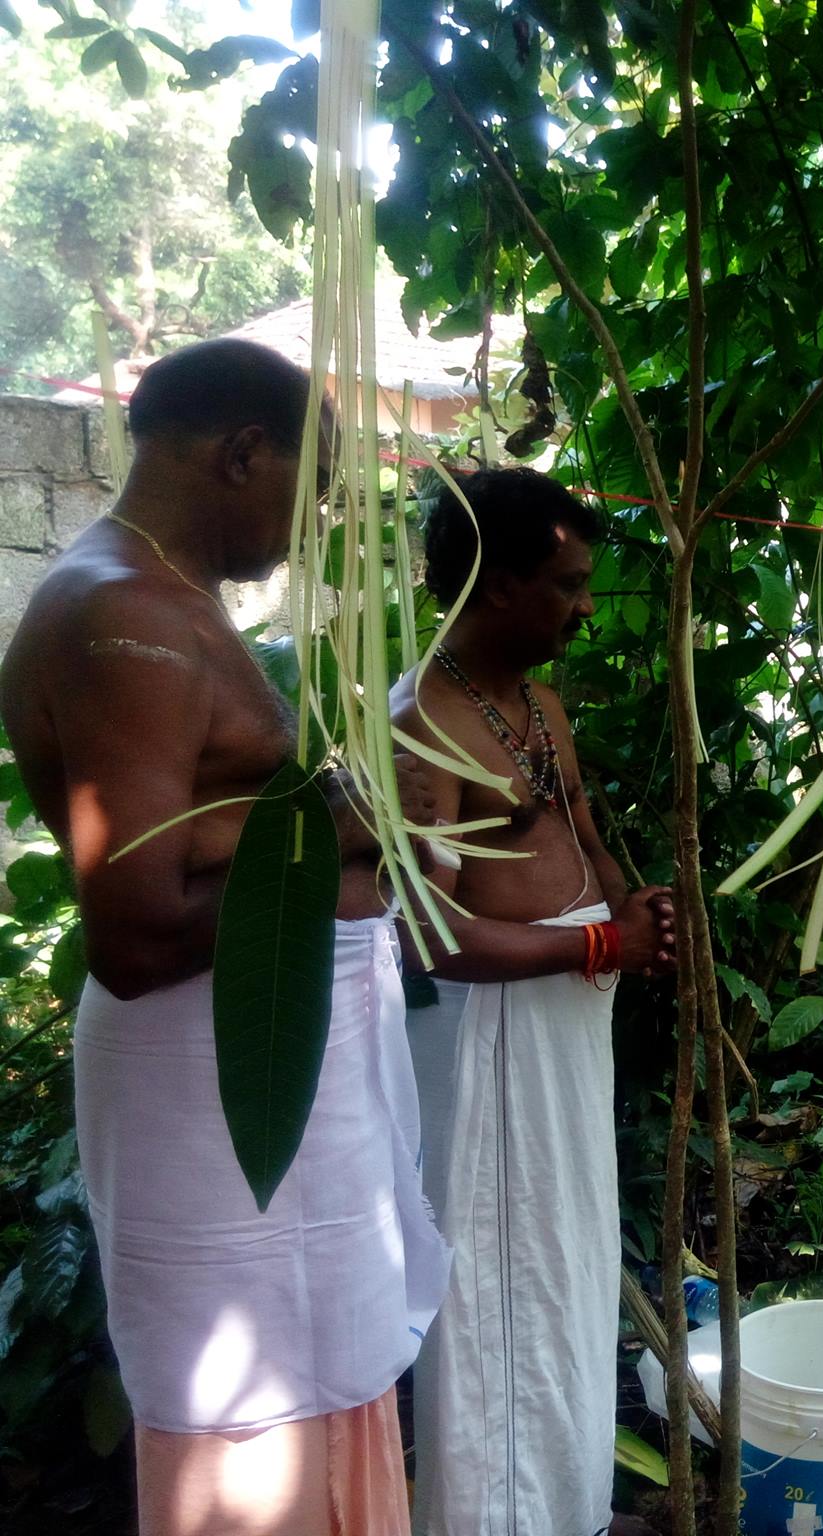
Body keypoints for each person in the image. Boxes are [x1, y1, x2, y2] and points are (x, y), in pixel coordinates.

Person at [0, 338, 449, 1533]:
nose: (315, 526)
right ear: (243, 453)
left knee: (318, 1378)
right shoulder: (124, 620)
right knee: (252, 1415)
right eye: (315, 487)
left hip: (269, 1056)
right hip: (216, 1080)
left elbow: (215, 837)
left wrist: (329, 833)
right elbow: (139, 936)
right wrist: (340, 833)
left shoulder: (162, 602)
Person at [392, 466, 677, 1536]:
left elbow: (586, 842)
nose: (584, 606)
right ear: (499, 586)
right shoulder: (422, 721)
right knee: (501, 1284)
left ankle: (566, 1510)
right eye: (565, 583)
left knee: (569, 1262)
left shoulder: (539, 706)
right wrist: (599, 941)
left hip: (569, 1020)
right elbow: (428, 936)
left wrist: (634, 913)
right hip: (494, 1042)